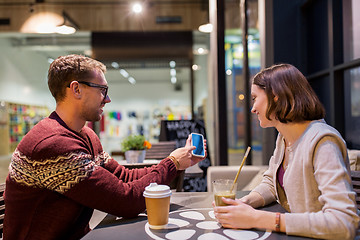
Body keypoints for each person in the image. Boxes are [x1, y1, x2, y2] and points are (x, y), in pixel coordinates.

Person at [3, 54, 206, 240]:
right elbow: (125, 202)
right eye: (102, 90)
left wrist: (176, 163)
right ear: (76, 89)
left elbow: (123, 177)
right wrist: (171, 164)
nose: (107, 99)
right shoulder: (53, 144)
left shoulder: (85, 134)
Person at [213, 63, 359, 239]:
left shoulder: (323, 142)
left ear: (275, 96)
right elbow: (272, 183)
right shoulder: (284, 137)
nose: (252, 108)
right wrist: (245, 203)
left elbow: (344, 222)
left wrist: (257, 218)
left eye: (254, 98)